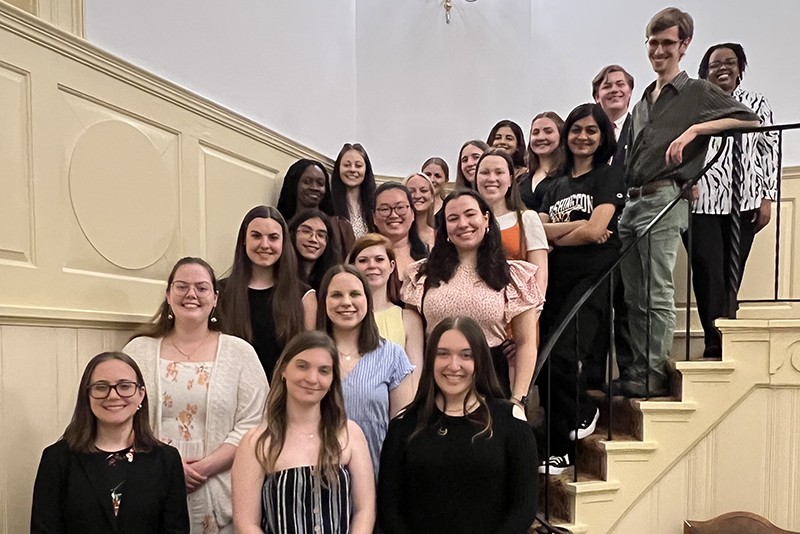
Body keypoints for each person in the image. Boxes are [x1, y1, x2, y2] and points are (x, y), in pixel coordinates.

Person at [615, 7, 760, 397]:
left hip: (665, 197)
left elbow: (749, 120)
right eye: (653, 43)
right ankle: (635, 370)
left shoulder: (696, 90)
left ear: (684, 45)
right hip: (633, 202)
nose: (659, 50)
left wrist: (696, 129)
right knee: (633, 293)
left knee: (656, 291)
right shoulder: (644, 99)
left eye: (667, 43)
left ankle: (653, 373)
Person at [124, 257, 268, 533]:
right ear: (168, 295)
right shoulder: (138, 351)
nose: (191, 294)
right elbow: (122, 417)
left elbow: (256, 422)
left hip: (221, 488)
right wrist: (169, 465)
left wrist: (203, 468)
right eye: (182, 286)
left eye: (201, 288)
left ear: (215, 298)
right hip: (151, 483)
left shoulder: (240, 353)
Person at [377, 316, 537, 534]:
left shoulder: (510, 420)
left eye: (466, 355)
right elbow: (390, 511)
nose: (454, 365)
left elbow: (523, 509)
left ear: (480, 361)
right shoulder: (404, 425)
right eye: (443, 354)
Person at [536, 103, 624, 473]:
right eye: (576, 129)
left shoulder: (607, 176)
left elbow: (596, 230)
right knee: (542, 360)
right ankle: (560, 448)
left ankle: (586, 409)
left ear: (602, 136)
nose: (583, 137)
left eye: (592, 130)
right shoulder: (554, 183)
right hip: (554, 279)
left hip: (593, 277)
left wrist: (562, 235)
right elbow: (536, 228)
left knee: (563, 354)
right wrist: (581, 230)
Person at [401, 189, 544, 401]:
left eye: (470, 214)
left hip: (490, 382)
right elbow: (412, 341)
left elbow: (525, 344)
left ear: (486, 219)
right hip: (437, 381)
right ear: (445, 228)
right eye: (453, 218)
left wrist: (518, 400)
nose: (463, 223)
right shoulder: (422, 274)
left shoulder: (513, 276)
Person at [231, 331, 376, 534]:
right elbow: (246, 523)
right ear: (283, 369)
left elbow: (365, 511)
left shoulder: (351, 434)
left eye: (324, 371)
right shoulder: (256, 442)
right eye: (302, 366)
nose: (312, 378)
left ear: (333, 378)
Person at [31, 352, 190, 534]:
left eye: (124, 386)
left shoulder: (166, 460)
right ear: (87, 395)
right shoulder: (57, 459)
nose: (113, 396)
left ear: (141, 395)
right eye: (101, 387)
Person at [689, 42, 778, 359]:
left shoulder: (756, 102)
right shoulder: (694, 104)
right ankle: (713, 338)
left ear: (740, 68)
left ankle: (725, 334)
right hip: (701, 202)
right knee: (706, 270)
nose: (723, 67)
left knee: (731, 272)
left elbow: (769, 149)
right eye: (715, 63)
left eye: (730, 62)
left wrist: (768, 196)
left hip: (746, 199)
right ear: (706, 70)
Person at [317, 264, 415, 475]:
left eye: (355, 294)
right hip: (319, 476)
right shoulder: (308, 356)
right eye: (336, 295)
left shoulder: (392, 356)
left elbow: (403, 431)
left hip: (378, 474)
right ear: (323, 301)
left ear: (367, 301)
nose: (346, 302)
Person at [217, 205, 316, 380]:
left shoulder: (304, 296)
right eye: (256, 236)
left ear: (283, 242)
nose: (265, 245)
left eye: (273, 238)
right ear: (244, 240)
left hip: (283, 398)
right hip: (233, 396)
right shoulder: (221, 292)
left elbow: (309, 356)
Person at [348, 233, 425, 385]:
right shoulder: (344, 316)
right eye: (363, 260)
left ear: (391, 266)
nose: (372, 265)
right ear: (353, 268)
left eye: (379, 259)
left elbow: (414, 380)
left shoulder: (409, 319)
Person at [475, 147, 549, 293]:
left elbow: (540, 278)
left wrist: (533, 313)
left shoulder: (527, 219)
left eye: (499, 172)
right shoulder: (468, 222)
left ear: (510, 179)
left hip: (519, 308)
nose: (491, 178)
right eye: (484, 172)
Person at [277, 159, 355, 260]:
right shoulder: (281, 226)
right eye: (307, 182)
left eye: (320, 183)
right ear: (294, 184)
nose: (314, 188)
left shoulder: (341, 227)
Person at [373, 182, 430, 278]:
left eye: (400, 207)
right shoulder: (363, 256)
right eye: (384, 209)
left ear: (412, 213)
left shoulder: (428, 257)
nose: (393, 215)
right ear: (374, 217)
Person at [519, 112, 566, 211]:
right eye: (535, 132)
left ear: (561, 135)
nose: (541, 137)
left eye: (548, 132)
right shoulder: (520, 181)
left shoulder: (569, 175)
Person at [331, 143, 377, 241]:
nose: (352, 169)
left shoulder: (376, 205)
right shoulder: (328, 205)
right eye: (347, 165)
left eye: (358, 165)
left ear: (366, 170)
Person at [592, 65, 635, 168]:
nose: (614, 90)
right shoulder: (589, 133)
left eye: (620, 85)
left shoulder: (639, 129)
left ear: (630, 92)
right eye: (607, 86)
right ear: (597, 97)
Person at [289, 209, 340, 292]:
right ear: (292, 234)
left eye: (320, 235)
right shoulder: (278, 275)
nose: (313, 239)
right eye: (306, 231)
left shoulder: (334, 280)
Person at [404, 173, 436, 248]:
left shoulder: (440, 236)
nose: (417, 195)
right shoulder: (395, 235)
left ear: (432, 197)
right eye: (411, 191)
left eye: (424, 190)